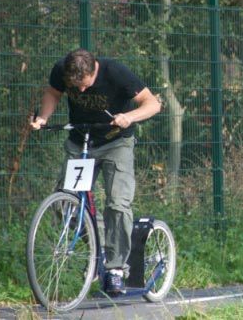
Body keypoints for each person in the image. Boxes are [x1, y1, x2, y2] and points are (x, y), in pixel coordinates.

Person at [30, 48, 161, 295]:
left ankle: (116, 268)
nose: (79, 91)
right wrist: (43, 118)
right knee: (66, 203)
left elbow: (153, 103)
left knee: (117, 204)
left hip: (116, 143)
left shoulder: (115, 72)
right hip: (81, 141)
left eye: (84, 85)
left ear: (94, 70)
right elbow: (53, 92)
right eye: (74, 86)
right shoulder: (62, 69)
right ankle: (97, 250)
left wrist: (129, 117)